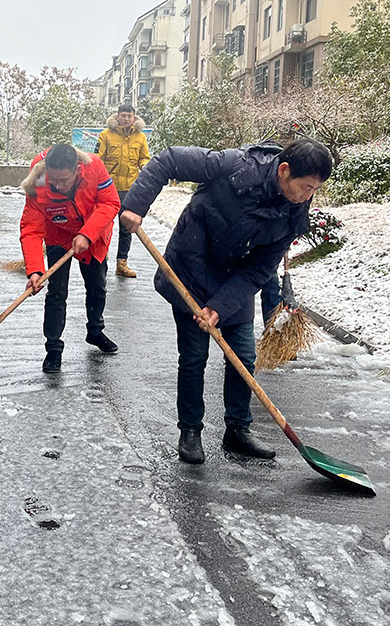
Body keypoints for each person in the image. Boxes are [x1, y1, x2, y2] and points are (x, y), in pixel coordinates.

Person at [120, 139, 332, 464]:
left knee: (244, 357)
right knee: (194, 358)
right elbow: (170, 159)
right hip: (190, 268)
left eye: (313, 190)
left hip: (235, 278)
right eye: (305, 187)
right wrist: (136, 204)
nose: (306, 196)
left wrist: (220, 305)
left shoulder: (293, 213)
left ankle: (238, 430)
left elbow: (261, 267)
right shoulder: (234, 165)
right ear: (285, 170)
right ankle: (190, 430)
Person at [20, 143, 122, 373]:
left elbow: (110, 202)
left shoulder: (94, 166)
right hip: (57, 235)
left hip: (92, 233)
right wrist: (35, 270)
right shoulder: (38, 180)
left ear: (77, 169)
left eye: (63, 181)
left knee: (97, 286)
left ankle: (95, 331)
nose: (57, 185)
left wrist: (87, 233)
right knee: (56, 293)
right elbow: (31, 229)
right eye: (53, 180)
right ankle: (53, 348)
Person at [95, 104, 150, 278]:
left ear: (134, 118)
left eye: (129, 116)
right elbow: (98, 159)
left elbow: (144, 157)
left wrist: (146, 168)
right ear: (117, 116)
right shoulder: (105, 135)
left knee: (126, 228)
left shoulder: (140, 137)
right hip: (108, 188)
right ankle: (101, 258)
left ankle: (122, 263)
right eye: (123, 115)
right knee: (103, 224)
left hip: (130, 189)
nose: (126, 118)